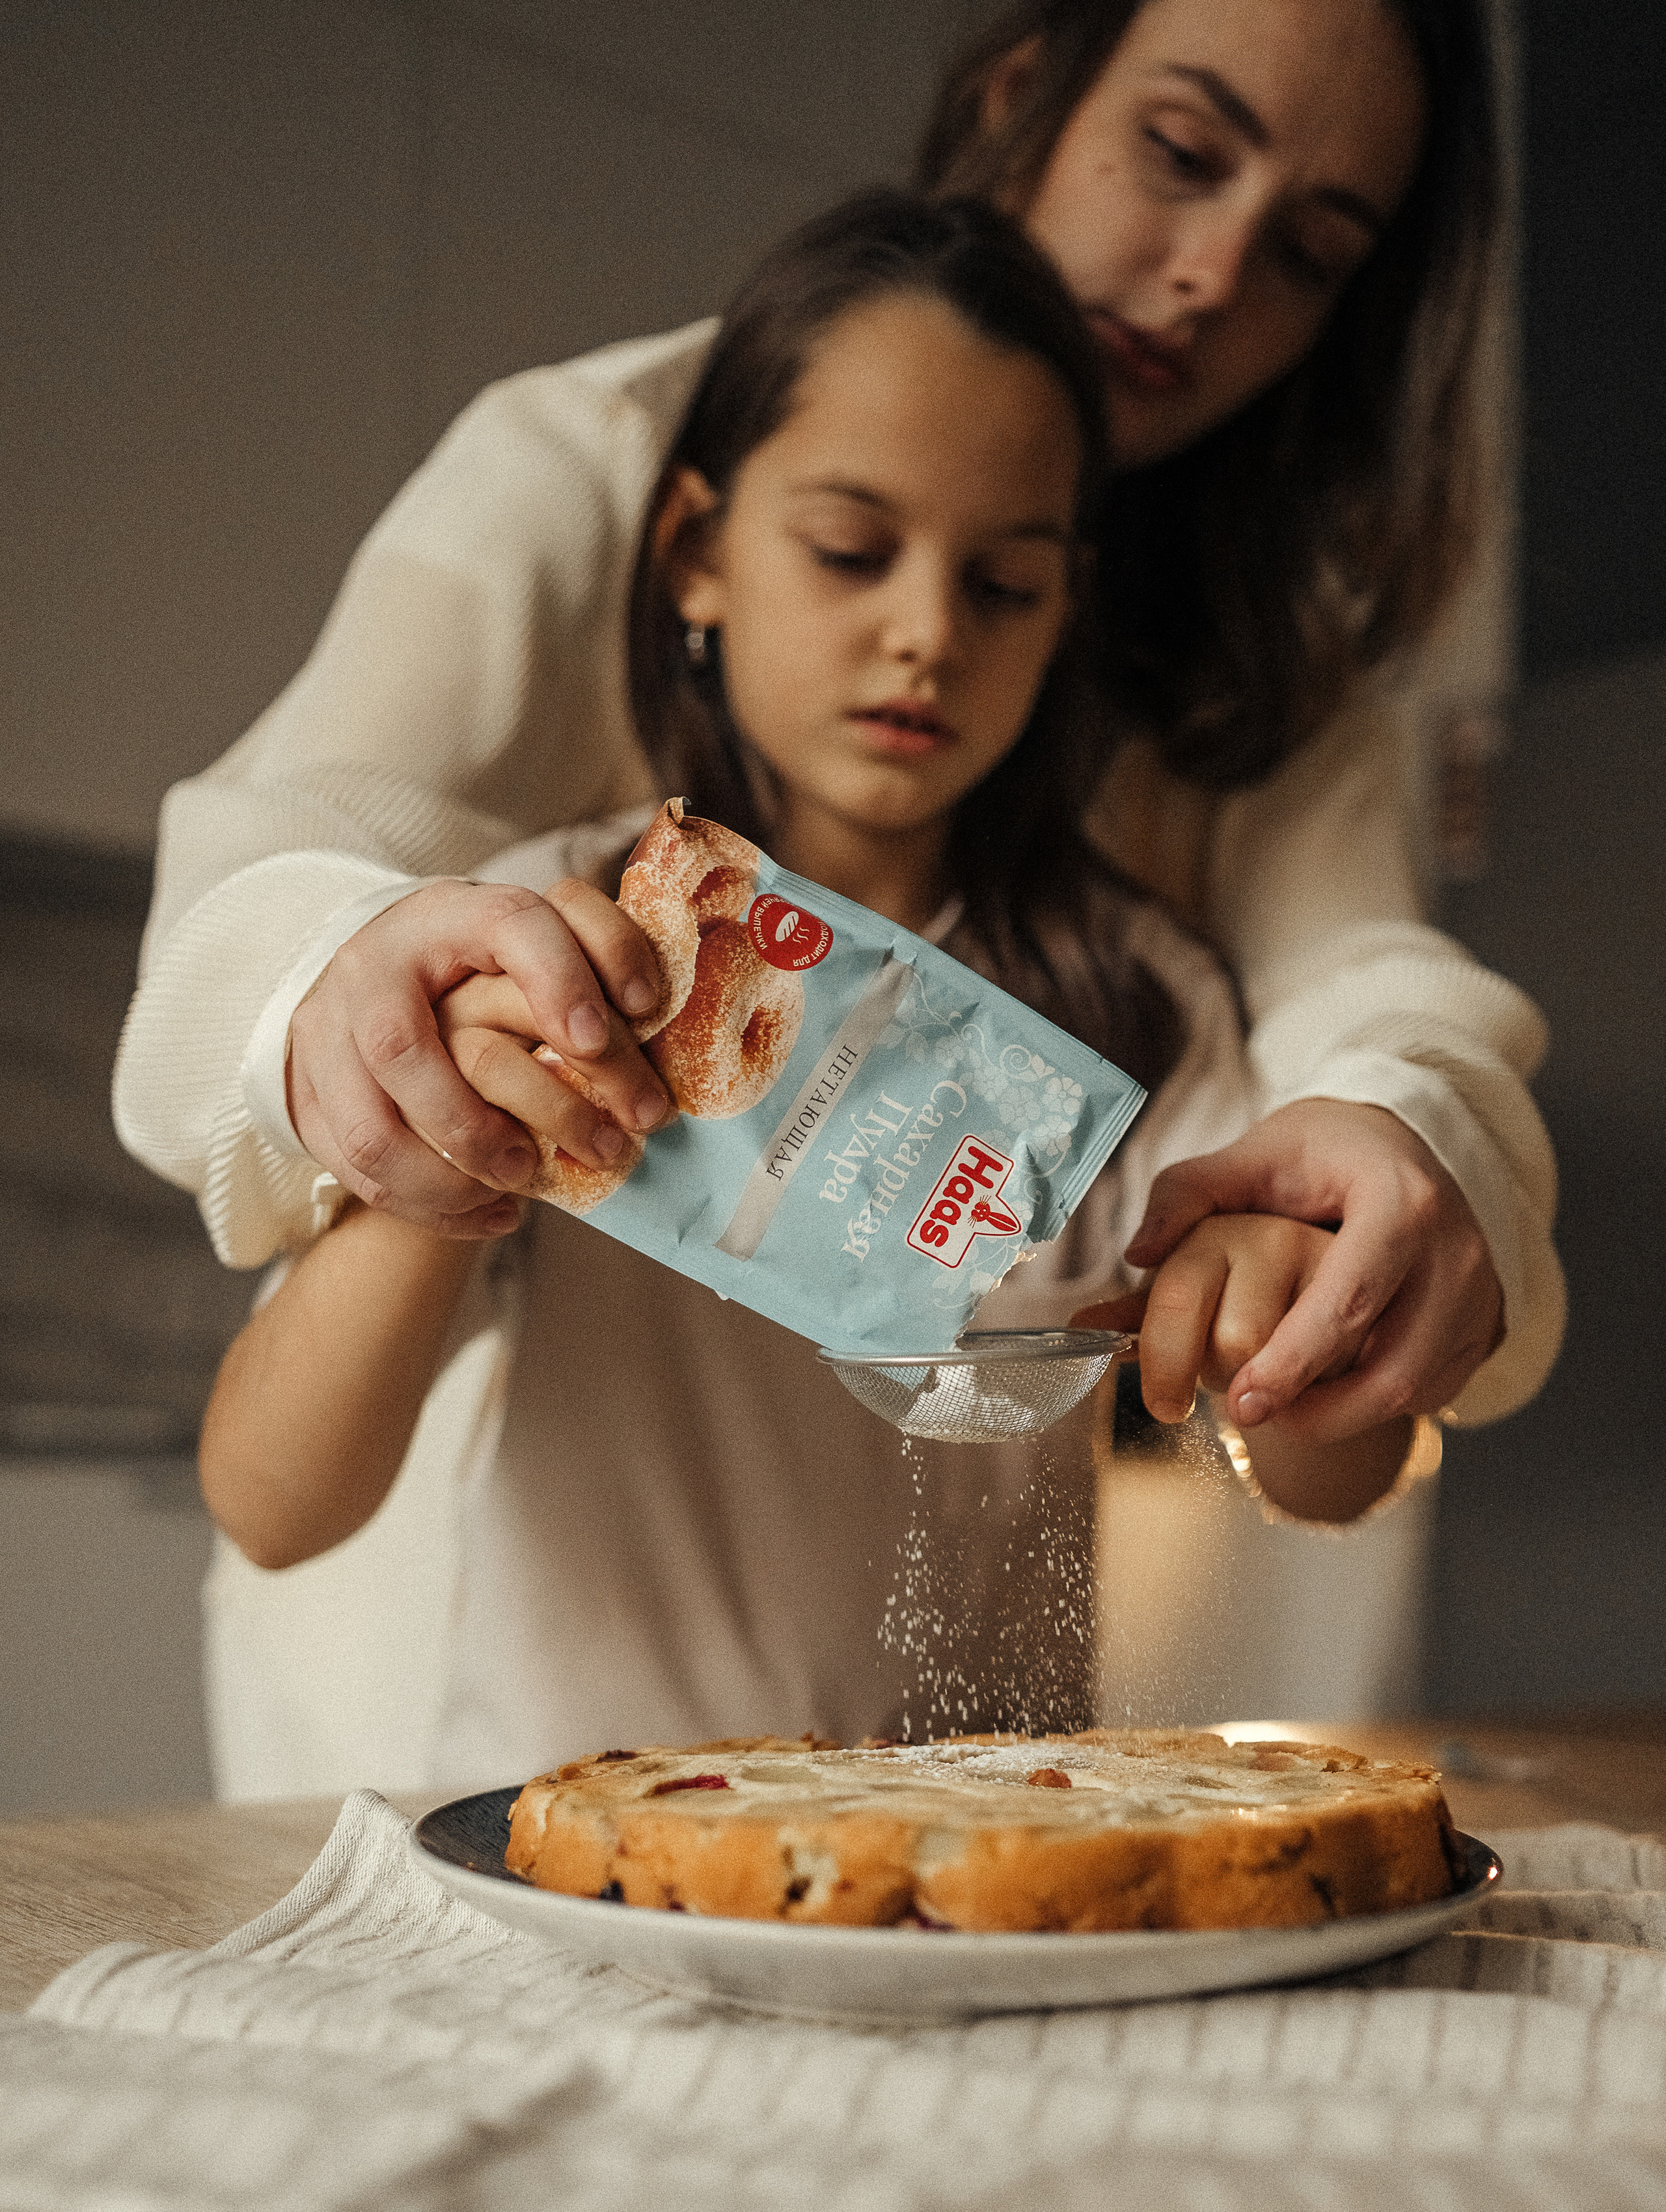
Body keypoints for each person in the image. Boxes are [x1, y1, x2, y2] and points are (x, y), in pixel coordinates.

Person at [113, 0, 1563, 1466]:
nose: (1209, 275)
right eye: (1180, 150)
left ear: (1066, 604)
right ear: (1021, 94)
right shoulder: (590, 488)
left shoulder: (1139, 944)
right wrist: (370, 1018)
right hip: (465, 1662)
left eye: (1309, 253)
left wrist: (1395, 1152)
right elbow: (267, 889)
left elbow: (1361, 1013)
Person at [197, 194, 1430, 1787]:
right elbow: (274, 1501)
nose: (922, 633)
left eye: (1001, 584)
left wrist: (1294, 1308)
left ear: (1067, 612)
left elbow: (1336, 1477)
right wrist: (452, 1163)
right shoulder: (553, 948)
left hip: (982, 1867)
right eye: (851, 551)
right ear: (697, 554)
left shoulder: (1125, 1004)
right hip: (587, 1862)